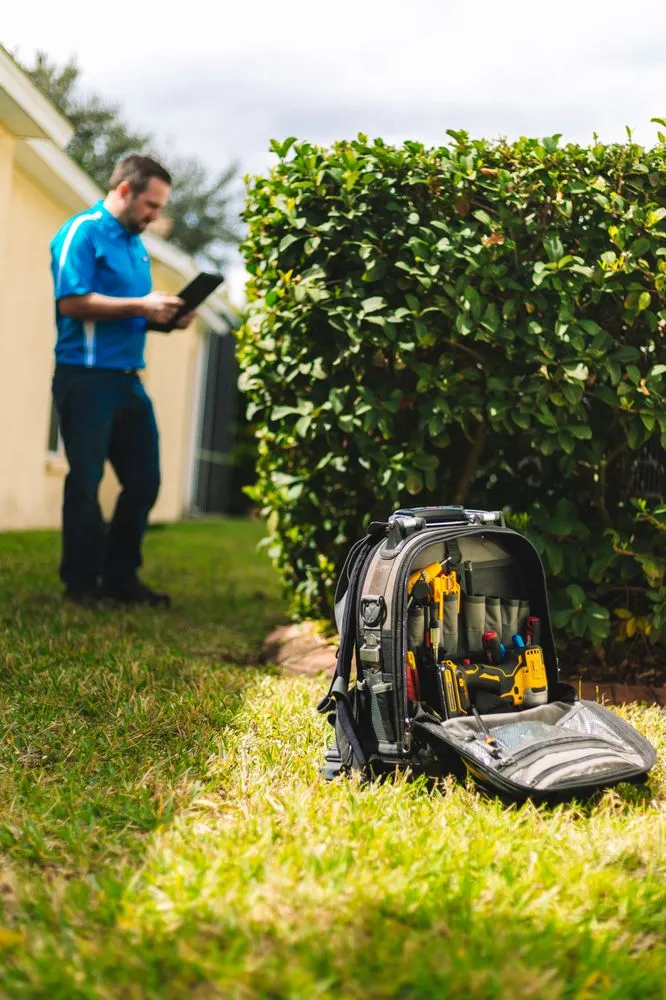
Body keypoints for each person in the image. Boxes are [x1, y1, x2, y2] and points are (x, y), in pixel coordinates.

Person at [49, 154, 194, 607]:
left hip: (128, 381)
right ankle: (80, 584)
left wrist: (168, 317)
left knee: (144, 481)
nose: (155, 215)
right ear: (126, 190)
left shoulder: (135, 245)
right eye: (151, 205)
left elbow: (132, 313)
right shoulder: (82, 231)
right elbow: (72, 302)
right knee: (86, 482)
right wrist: (141, 306)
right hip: (85, 378)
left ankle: (120, 577)